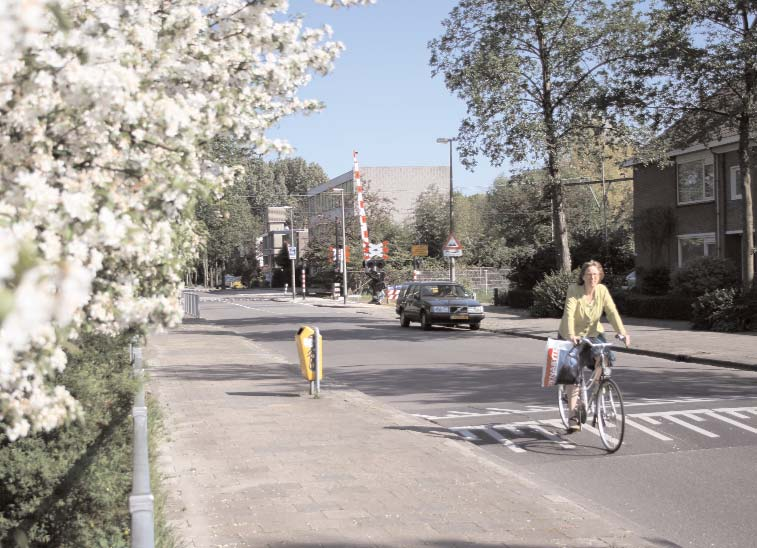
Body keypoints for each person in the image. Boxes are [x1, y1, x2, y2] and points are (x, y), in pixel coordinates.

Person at [558, 260, 631, 433]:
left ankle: (598, 389)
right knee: (573, 376)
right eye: (589, 274)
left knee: (603, 359)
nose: (592, 278)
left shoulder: (602, 290)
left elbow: (612, 312)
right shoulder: (574, 290)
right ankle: (573, 415)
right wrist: (571, 335)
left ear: (600, 276)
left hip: (593, 333)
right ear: (583, 276)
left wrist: (623, 332)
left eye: (596, 274)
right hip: (571, 335)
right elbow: (568, 314)